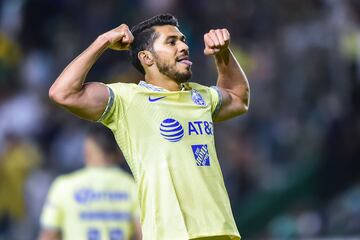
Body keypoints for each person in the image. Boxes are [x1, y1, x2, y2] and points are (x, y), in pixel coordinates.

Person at [49, 13, 250, 240]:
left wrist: (222, 53)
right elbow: (62, 92)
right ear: (147, 58)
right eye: (171, 42)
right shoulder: (128, 100)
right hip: (170, 234)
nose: (184, 46)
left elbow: (238, 98)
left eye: (183, 40)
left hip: (221, 230)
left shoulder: (201, 95)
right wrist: (103, 41)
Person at [38, 124, 142, 240]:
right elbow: (143, 233)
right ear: (119, 152)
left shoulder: (64, 186)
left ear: (87, 150)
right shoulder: (133, 186)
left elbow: (49, 235)